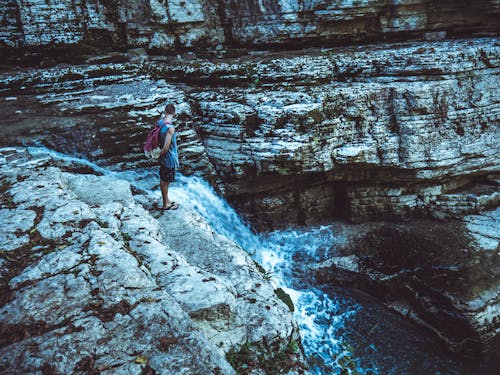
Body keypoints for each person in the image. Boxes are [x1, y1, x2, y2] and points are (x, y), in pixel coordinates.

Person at [158, 103, 180, 210]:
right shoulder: (170, 128)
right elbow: (166, 147)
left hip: (162, 158)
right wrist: (160, 154)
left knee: (164, 179)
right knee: (165, 181)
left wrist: (157, 155)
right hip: (168, 158)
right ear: (174, 113)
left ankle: (166, 200)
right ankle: (165, 204)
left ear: (165, 111)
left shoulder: (160, 123)